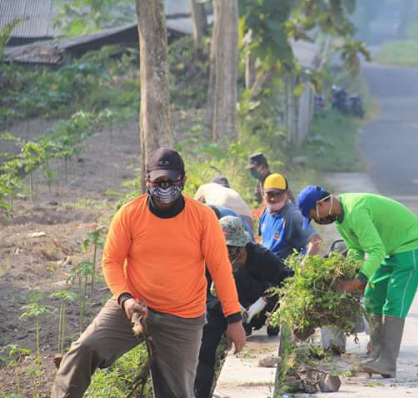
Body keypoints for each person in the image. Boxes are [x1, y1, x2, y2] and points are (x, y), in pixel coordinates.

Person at [51, 148, 246, 398]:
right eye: (158, 181)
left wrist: (234, 319)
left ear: (183, 180)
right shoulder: (130, 214)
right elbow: (111, 261)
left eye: (170, 181)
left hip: (183, 318)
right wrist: (125, 299)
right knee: (83, 349)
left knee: (177, 393)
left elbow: (220, 270)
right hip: (135, 308)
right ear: (148, 181)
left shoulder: (202, 218)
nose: (164, 187)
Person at [297, 186, 418, 378]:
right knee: (372, 297)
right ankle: (377, 356)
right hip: (389, 247)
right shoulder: (341, 219)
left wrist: (359, 280)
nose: (317, 221)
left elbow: (375, 251)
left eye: (314, 215)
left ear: (321, 204)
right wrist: (346, 272)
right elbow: (355, 249)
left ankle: (388, 362)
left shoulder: (355, 211)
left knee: (395, 300)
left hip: (411, 243)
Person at [195, 216, 291, 398]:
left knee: (242, 278)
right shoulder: (206, 258)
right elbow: (201, 293)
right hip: (221, 307)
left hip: (256, 309)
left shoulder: (261, 257)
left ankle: (261, 322)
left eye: (232, 249)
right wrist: (227, 305)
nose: (228, 253)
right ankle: (200, 392)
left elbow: (288, 280)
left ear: (242, 245)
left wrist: (263, 302)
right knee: (205, 346)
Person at [259, 173, 321, 259]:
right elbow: (264, 240)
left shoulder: (292, 215)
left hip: (285, 268)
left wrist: (303, 266)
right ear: (263, 193)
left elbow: (316, 240)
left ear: (287, 194)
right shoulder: (265, 212)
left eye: (278, 194)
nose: (274, 199)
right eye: (270, 194)